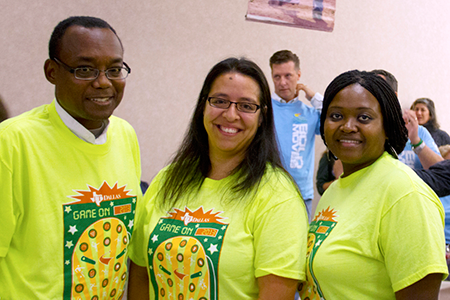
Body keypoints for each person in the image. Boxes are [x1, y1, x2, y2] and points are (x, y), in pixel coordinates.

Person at [128, 57, 308, 300]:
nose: (231, 115)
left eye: (246, 106)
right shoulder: (167, 180)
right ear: (203, 105)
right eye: (220, 101)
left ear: (262, 116)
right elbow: (140, 273)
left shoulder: (279, 196)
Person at [0, 16, 142, 299]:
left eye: (114, 69)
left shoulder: (125, 135)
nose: (103, 83)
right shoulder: (12, 142)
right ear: (52, 71)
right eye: (85, 69)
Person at [299, 70, 447, 299]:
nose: (347, 126)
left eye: (364, 117)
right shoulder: (337, 189)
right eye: (336, 116)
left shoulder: (406, 195)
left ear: (387, 126)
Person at [269, 50, 323, 215]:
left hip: (301, 193)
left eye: (288, 75)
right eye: (277, 76)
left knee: (300, 240)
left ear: (298, 75)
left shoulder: (309, 113)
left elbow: (334, 119)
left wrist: (312, 96)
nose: (282, 82)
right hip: (268, 191)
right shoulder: (264, 109)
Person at [371, 69, 443, 170]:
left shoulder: (418, 132)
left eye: (378, 91)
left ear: (393, 96)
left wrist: (416, 142)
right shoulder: (357, 130)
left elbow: (442, 172)